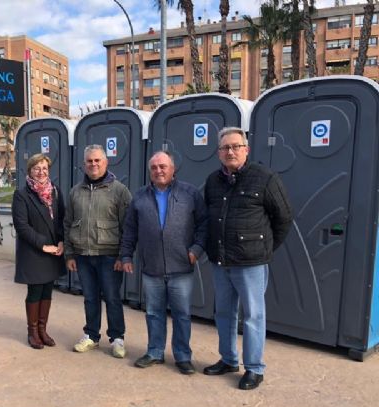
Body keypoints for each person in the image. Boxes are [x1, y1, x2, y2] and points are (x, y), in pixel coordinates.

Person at [203, 127, 292, 390]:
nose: (230, 152)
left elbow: (284, 217)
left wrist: (264, 248)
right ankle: (228, 359)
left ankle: (254, 368)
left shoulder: (265, 178)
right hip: (221, 261)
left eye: (235, 146)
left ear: (246, 149)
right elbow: (207, 216)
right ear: (218, 153)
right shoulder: (213, 181)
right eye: (225, 148)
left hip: (251, 263)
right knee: (224, 313)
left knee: (253, 315)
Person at [120, 151, 207, 374]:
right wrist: (126, 255)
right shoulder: (140, 196)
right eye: (154, 167)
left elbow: (204, 225)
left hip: (181, 267)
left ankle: (183, 356)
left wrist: (196, 249)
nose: (158, 170)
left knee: (182, 315)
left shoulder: (190, 193)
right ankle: (155, 352)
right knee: (153, 313)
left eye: (163, 166)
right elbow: (130, 229)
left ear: (173, 169)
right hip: (152, 268)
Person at [64, 144, 132, 358]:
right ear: (84, 164)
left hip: (109, 256)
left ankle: (117, 338)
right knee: (90, 298)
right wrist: (69, 254)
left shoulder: (120, 191)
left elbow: (128, 227)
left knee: (112, 298)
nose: (93, 164)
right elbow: (67, 224)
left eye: (97, 160)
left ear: (106, 162)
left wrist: (123, 256)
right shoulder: (76, 191)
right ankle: (91, 336)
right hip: (83, 256)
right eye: (89, 161)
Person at [12, 153, 66, 349]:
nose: (41, 172)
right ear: (30, 171)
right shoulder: (21, 195)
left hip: (54, 250)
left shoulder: (56, 191)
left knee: (47, 290)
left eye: (44, 168)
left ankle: (43, 330)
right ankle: (33, 332)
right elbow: (22, 226)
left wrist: (61, 241)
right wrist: (43, 244)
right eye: (37, 168)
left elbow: (62, 219)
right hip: (34, 251)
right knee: (35, 291)